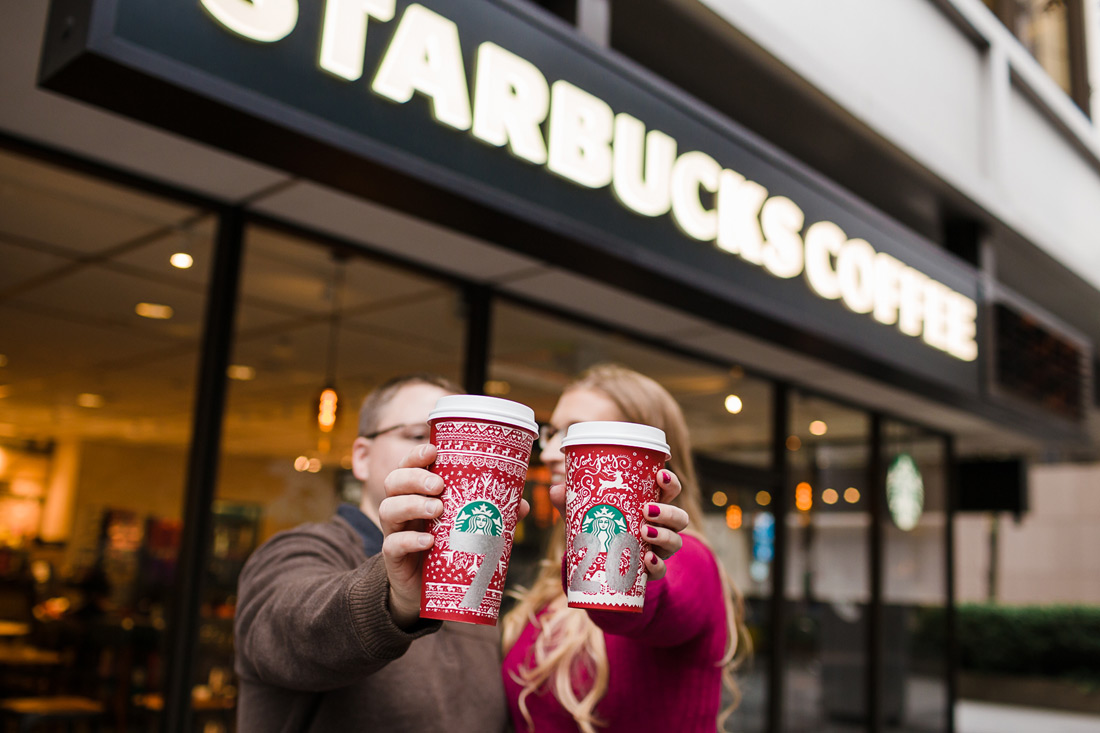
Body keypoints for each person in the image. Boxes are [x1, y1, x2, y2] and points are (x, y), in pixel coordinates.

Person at [233, 374, 519, 732]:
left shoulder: (473, 582)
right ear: (362, 457)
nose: (442, 455)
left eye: (454, 439)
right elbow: (288, 629)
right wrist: (392, 597)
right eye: (418, 435)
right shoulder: (302, 551)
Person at [500, 364, 750, 732]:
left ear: (640, 453)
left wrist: (637, 571)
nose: (551, 452)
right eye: (552, 433)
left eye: (575, 434)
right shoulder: (562, 571)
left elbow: (639, 609)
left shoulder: (689, 558)